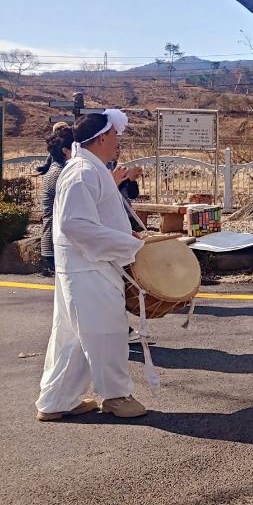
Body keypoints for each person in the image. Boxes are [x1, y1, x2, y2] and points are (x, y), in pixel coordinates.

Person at [35, 110, 147, 421]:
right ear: (100, 138)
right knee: (105, 332)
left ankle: (57, 401)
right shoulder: (83, 171)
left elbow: (92, 219)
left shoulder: (87, 168)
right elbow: (76, 225)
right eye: (114, 135)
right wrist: (128, 244)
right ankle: (116, 396)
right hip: (88, 268)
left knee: (74, 338)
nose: (117, 141)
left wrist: (125, 236)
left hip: (89, 266)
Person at [39, 126, 74, 276]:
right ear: (65, 151)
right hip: (54, 243)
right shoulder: (59, 173)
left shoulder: (57, 169)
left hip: (55, 241)